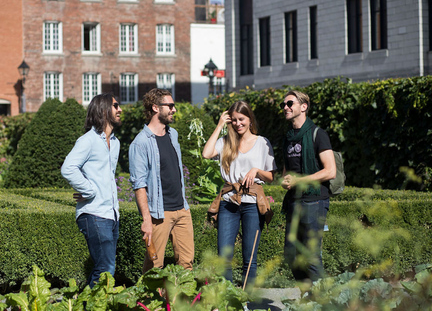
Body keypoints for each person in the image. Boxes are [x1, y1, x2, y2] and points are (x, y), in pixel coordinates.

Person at [202, 101, 277, 288]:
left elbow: (270, 177)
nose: (237, 123)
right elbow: (206, 154)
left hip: (253, 203)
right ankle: (228, 300)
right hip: (229, 202)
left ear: (250, 120)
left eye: (241, 119)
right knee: (224, 256)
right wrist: (220, 125)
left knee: (249, 258)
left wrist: (256, 170)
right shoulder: (225, 142)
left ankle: (246, 302)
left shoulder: (262, 142)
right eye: (233, 120)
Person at [129, 88, 194, 273]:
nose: (174, 110)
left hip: (182, 210)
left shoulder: (173, 135)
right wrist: (146, 219)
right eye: (170, 106)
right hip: (160, 213)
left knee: (186, 264)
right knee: (154, 267)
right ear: (156, 107)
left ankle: (181, 302)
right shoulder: (140, 143)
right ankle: (149, 302)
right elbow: (139, 185)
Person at [61, 93, 122, 288]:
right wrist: (89, 191)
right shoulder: (87, 141)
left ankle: (87, 303)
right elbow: (68, 168)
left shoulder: (116, 142)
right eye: (115, 106)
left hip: (111, 214)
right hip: (93, 213)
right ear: (103, 111)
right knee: (106, 268)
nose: (120, 109)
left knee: (105, 268)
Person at [280, 90, 336, 283]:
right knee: (292, 255)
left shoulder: (318, 134)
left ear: (303, 107)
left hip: (314, 200)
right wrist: (285, 180)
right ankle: (309, 299)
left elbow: (330, 171)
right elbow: (288, 170)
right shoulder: (288, 138)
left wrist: (300, 181)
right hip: (294, 201)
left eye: (290, 103)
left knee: (311, 257)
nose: (285, 107)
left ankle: (327, 301)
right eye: (284, 105)